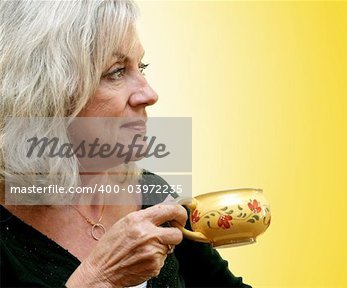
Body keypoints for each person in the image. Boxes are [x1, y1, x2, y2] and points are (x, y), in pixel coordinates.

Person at [0, 0, 251, 287]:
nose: (149, 93)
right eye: (116, 71)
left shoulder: (150, 193)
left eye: (141, 66)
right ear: (46, 94)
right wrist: (99, 278)